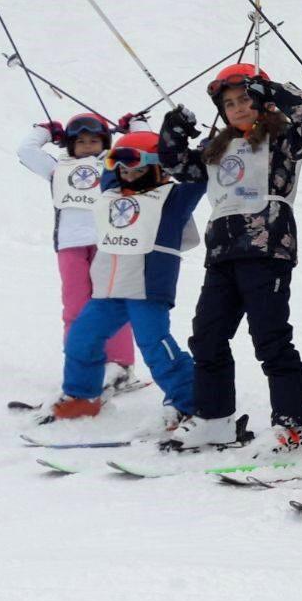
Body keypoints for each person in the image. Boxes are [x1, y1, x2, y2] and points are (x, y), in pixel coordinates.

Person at [156, 64, 302, 453]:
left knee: (270, 337)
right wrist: (174, 130)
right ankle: (214, 419)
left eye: (245, 100)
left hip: (267, 248)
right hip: (222, 252)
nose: (237, 108)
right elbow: (176, 166)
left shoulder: (282, 139)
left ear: (263, 102)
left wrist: (276, 90)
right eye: (230, 103)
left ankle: (296, 424)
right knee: (207, 337)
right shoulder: (215, 149)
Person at [41, 131, 203, 430]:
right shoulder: (110, 190)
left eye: (137, 170)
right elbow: (104, 167)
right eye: (122, 169)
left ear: (158, 169)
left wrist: (185, 147)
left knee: (155, 345)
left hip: (147, 287)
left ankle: (188, 402)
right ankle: (82, 396)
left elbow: (198, 178)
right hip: (108, 288)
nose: (128, 175)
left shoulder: (173, 200)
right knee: (81, 338)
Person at [18, 112, 136, 391]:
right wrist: (45, 131)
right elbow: (26, 151)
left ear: (105, 142)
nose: (87, 146)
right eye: (80, 141)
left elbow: (145, 149)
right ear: (69, 144)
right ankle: (80, 368)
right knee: (75, 307)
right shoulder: (57, 169)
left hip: (108, 243)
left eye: (93, 140)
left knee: (113, 304)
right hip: (70, 245)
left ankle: (120, 367)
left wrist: (135, 126)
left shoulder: (114, 165)